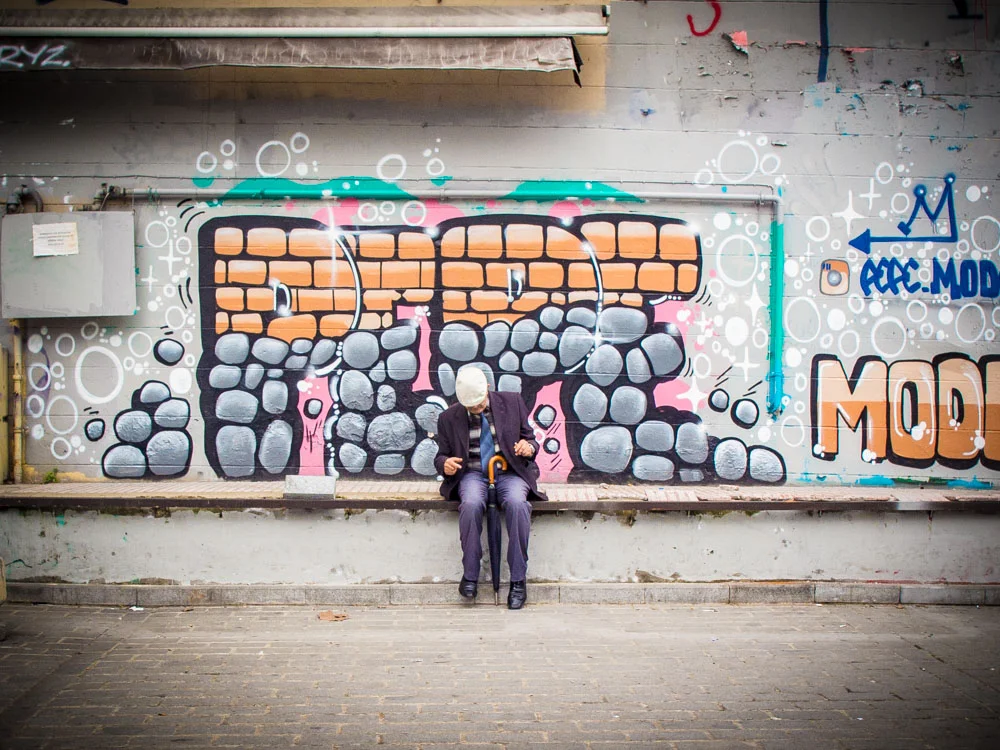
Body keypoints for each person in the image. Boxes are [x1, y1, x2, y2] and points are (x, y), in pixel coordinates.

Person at [433, 367, 547, 609]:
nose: (477, 409)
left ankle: (518, 581)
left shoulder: (512, 402)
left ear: (487, 388)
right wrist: (445, 464)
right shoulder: (448, 418)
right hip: (472, 474)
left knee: (518, 505)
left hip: (509, 472)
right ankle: (470, 576)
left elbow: (531, 439)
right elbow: (441, 455)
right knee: (471, 504)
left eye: (479, 403)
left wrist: (528, 448)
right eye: (471, 406)